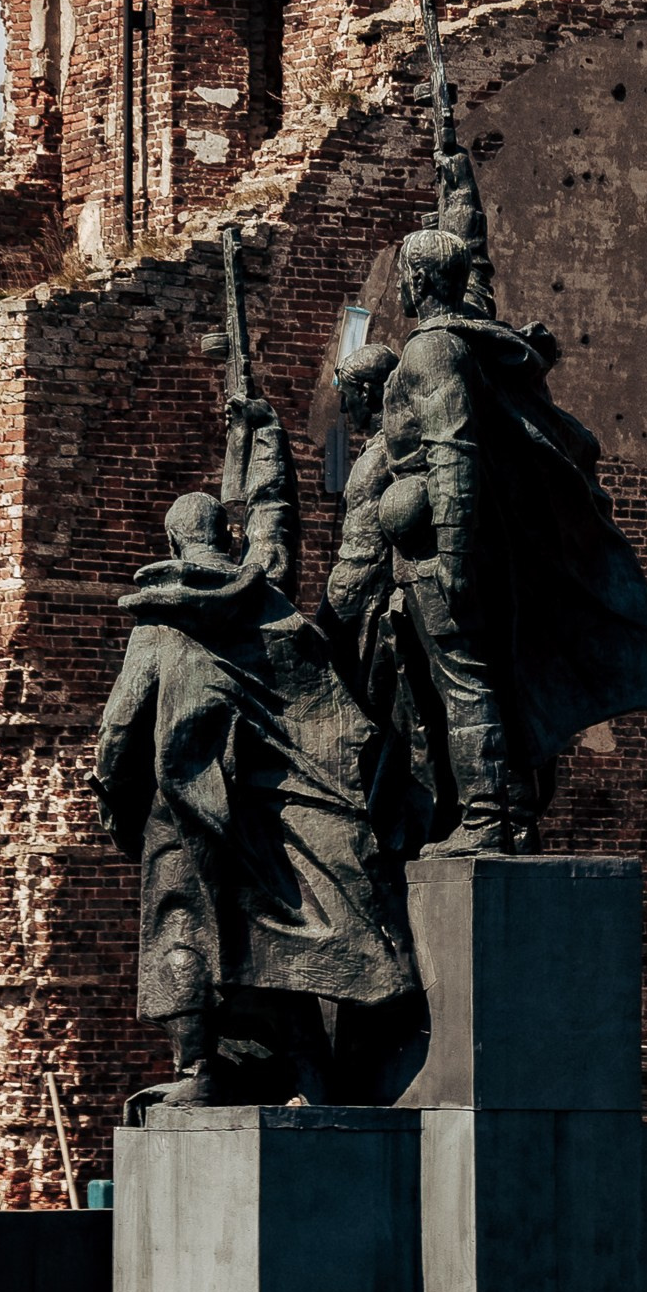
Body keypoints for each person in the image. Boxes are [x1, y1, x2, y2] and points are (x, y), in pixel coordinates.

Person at [95, 383, 422, 1106]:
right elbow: (275, 524)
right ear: (226, 539)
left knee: (182, 929)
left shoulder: (159, 626)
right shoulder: (264, 591)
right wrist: (261, 434)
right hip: (277, 809)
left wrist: (116, 807)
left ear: (173, 545)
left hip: (189, 810)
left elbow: (118, 731)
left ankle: (198, 1073)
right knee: (280, 943)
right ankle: (309, 1076)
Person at [373, 200, 647, 854]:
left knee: (466, 680)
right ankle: (508, 809)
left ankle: (485, 818)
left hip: (444, 551)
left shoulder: (433, 350)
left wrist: (453, 555)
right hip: (466, 546)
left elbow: (452, 451)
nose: (399, 284)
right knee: (490, 678)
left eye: (404, 272)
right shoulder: (475, 345)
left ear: (418, 280)